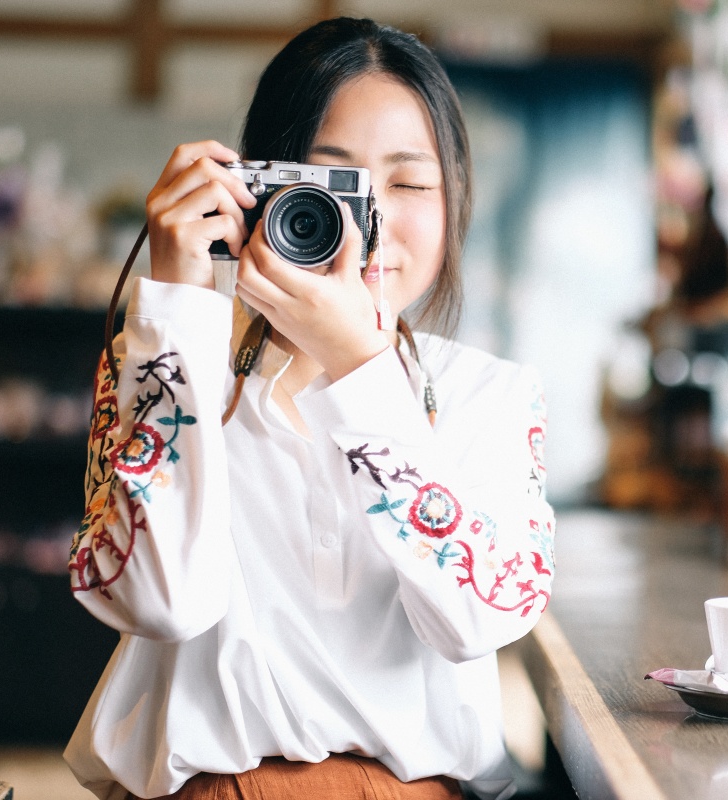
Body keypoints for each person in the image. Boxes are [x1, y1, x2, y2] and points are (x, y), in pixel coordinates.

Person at [64, 17, 555, 800]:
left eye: (409, 183)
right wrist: (177, 304)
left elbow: (483, 617)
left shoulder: (490, 395)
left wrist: (359, 367)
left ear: (454, 197)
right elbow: (157, 601)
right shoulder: (164, 357)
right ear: (253, 189)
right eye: (333, 184)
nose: (369, 223)